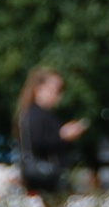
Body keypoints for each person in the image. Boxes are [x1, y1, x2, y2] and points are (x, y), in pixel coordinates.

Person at [13, 65, 85, 199]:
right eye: (53, 90)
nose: (57, 96)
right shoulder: (33, 115)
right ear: (38, 90)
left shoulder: (47, 115)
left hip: (51, 175)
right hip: (42, 177)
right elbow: (37, 143)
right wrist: (62, 136)